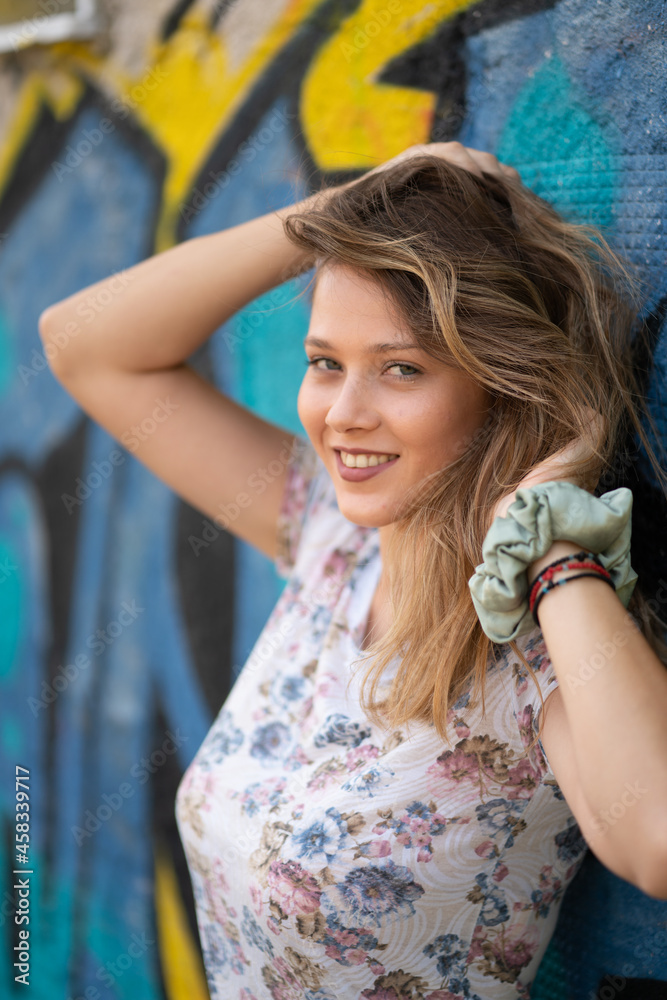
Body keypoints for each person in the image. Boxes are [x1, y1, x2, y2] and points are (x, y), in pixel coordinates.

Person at [39, 142, 667, 1000]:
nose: (343, 414)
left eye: (401, 368)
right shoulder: (327, 537)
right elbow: (82, 344)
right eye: (325, 362)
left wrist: (549, 538)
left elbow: (656, 841)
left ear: (502, 390)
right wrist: (346, 209)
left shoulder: (536, 644)